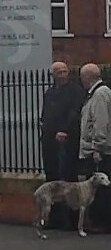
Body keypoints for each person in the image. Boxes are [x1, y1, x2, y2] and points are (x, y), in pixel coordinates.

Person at [40, 61, 86, 228]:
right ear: (52, 75)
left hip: (67, 141)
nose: (62, 75)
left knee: (68, 180)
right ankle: (54, 218)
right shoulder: (49, 93)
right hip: (50, 141)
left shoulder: (75, 91)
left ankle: (71, 220)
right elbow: (46, 114)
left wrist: (64, 130)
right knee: (52, 180)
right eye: (58, 72)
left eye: (64, 71)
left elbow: (75, 112)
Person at [78, 63, 111, 231]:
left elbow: (101, 122)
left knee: (101, 191)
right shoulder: (95, 94)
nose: (81, 81)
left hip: (98, 151)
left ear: (88, 77)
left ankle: (103, 223)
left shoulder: (99, 94)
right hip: (94, 149)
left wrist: (98, 146)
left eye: (82, 77)